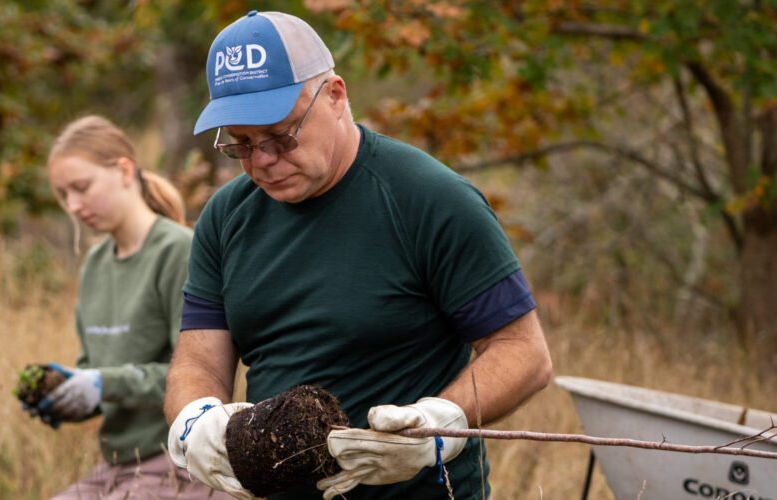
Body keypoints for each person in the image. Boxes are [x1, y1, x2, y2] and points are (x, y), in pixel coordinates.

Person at [163, 11, 554, 500]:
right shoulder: (226, 216)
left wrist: (440, 422)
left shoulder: (429, 198)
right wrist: (194, 419)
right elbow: (200, 358)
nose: (262, 160)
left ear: (335, 96)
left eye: (282, 135)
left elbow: (524, 352)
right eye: (240, 145)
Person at [27, 115, 223, 499]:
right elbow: (94, 372)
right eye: (63, 195)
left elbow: (197, 374)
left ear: (123, 170)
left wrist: (103, 383)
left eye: (81, 188)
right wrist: (67, 395)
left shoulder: (179, 251)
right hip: (117, 466)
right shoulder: (95, 265)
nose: (73, 205)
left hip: (177, 465)